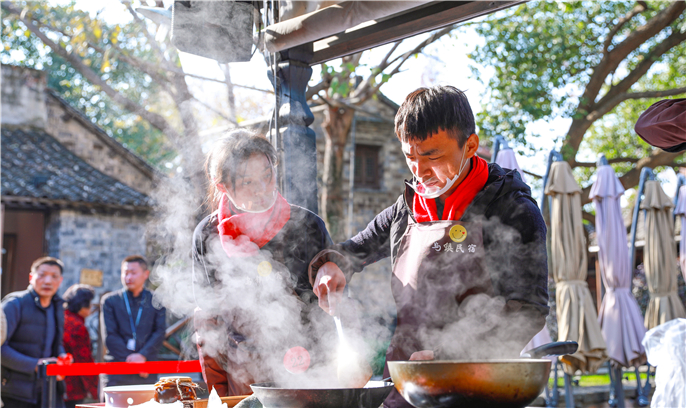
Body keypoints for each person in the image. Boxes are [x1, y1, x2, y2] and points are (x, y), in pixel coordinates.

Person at [309, 86, 550, 408]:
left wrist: (447, 355)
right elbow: (356, 249)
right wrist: (332, 265)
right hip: (404, 384)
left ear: (470, 145)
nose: (419, 171)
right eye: (410, 157)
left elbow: (528, 308)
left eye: (432, 156)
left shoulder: (513, 210)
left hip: (475, 386)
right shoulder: (407, 207)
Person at [192, 130, 366, 397]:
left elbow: (337, 301)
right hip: (246, 374)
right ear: (222, 186)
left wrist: (349, 361)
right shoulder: (207, 234)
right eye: (248, 182)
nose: (262, 189)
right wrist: (220, 398)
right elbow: (208, 321)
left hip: (311, 367)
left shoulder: (308, 225)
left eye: (267, 175)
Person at [1, 257, 69, 408]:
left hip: (48, 390)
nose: (48, 281)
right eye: (42, 275)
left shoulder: (57, 306)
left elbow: (56, 343)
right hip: (16, 392)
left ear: (60, 281)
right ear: (31, 277)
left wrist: (62, 356)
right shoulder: (14, 304)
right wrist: (35, 365)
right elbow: (1, 348)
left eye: (54, 276)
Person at [100, 256, 166, 387]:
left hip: (146, 367)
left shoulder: (156, 300)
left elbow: (159, 332)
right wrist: (133, 361)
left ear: (145, 274)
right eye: (125, 273)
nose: (128, 277)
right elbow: (110, 336)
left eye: (133, 273)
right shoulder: (110, 301)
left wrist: (142, 356)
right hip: (118, 368)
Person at [62, 284, 98, 408]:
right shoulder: (77, 326)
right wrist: (95, 389)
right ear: (83, 305)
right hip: (72, 387)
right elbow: (84, 359)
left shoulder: (62, 318)